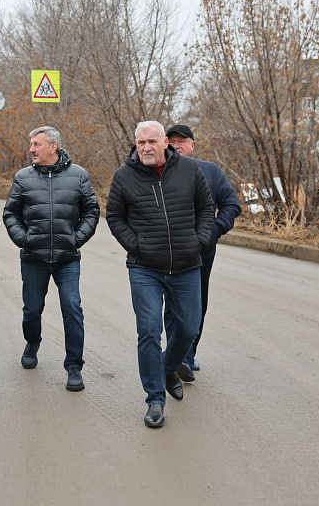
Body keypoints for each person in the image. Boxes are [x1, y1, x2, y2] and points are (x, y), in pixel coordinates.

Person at [106, 121, 213, 428]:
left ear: (165, 142)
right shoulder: (124, 176)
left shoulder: (190, 169)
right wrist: (135, 245)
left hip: (187, 265)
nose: (147, 148)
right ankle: (155, 398)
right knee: (150, 331)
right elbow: (114, 216)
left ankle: (169, 368)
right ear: (135, 144)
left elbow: (206, 207)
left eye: (152, 141)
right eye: (141, 143)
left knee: (188, 328)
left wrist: (199, 241)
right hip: (145, 268)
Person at [3, 126, 100, 391]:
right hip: (33, 258)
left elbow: (92, 211)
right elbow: (10, 213)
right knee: (32, 310)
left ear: (53, 147)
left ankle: (74, 367)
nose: (31, 149)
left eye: (36, 144)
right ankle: (32, 342)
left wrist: (76, 239)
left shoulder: (78, 175)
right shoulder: (23, 177)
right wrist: (23, 239)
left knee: (72, 308)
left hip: (67, 258)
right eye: (31, 144)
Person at [165, 124, 242, 382]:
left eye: (182, 141)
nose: (177, 145)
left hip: (201, 252)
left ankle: (186, 356)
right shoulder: (157, 170)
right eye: (172, 141)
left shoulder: (210, 171)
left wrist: (215, 230)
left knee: (197, 303)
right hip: (166, 251)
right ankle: (178, 357)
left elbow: (232, 204)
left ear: (192, 145)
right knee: (172, 305)